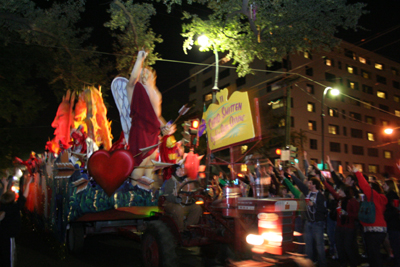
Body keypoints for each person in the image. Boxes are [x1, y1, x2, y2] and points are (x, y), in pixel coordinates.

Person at [349, 165, 387, 267]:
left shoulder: (373, 195)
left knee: (373, 253)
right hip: (380, 229)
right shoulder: (382, 199)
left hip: (372, 229)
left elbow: (364, 186)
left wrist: (357, 173)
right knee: (375, 252)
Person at [0, 175, 33, 267]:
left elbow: (4, 196)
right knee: (9, 256)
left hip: (3, 234)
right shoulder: (14, 207)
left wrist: (5, 185)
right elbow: (24, 196)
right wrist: (29, 182)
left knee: (4, 254)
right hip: (9, 235)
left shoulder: (3, 205)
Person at [163, 164, 202, 235]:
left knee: (197, 208)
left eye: (181, 170)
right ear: (174, 172)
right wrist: (176, 198)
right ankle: (180, 231)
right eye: (177, 171)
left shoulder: (189, 181)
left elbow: (195, 190)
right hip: (172, 203)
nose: (180, 172)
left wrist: (196, 196)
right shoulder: (171, 181)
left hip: (186, 203)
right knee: (178, 209)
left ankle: (188, 228)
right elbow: (167, 195)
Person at [383, 179, 400, 267]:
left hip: (393, 224)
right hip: (393, 223)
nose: (383, 186)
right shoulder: (391, 195)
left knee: (395, 244)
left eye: (385, 185)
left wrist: (386, 216)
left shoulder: (391, 195)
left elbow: (394, 210)